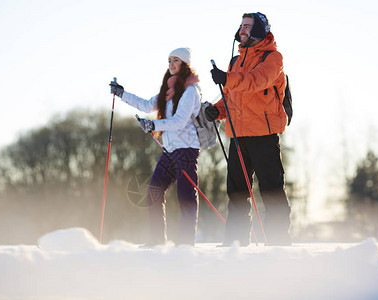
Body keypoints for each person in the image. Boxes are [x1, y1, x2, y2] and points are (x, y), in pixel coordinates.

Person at [205, 12, 291, 246]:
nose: (242, 30)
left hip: (264, 135)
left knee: (271, 190)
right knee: (236, 193)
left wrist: (226, 77)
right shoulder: (236, 61)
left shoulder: (273, 58)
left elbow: (255, 81)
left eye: (247, 26)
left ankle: (279, 241)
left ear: (260, 30)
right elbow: (232, 95)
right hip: (238, 136)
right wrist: (217, 111)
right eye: (241, 26)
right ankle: (235, 241)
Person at [110, 48, 202, 246]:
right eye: (169, 60)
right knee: (154, 191)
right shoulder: (168, 90)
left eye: (176, 60)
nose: (171, 64)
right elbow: (146, 105)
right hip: (170, 150)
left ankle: (186, 243)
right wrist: (122, 93)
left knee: (185, 196)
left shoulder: (190, 91)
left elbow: (179, 121)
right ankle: (157, 240)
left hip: (186, 149)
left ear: (185, 64)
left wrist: (154, 125)